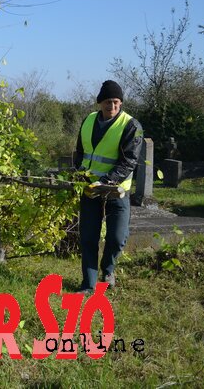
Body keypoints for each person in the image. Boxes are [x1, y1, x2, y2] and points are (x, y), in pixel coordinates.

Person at [74, 80, 143, 293]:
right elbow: (80, 151)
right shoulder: (89, 120)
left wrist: (106, 181)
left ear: (120, 103)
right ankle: (89, 284)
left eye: (115, 102)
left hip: (117, 190)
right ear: (100, 103)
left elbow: (130, 161)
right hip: (89, 189)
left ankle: (108, 268)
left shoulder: (131, 126)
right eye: (107, 102)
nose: (111, 107)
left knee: (117, 237)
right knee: (88, 237)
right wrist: (78, 172)